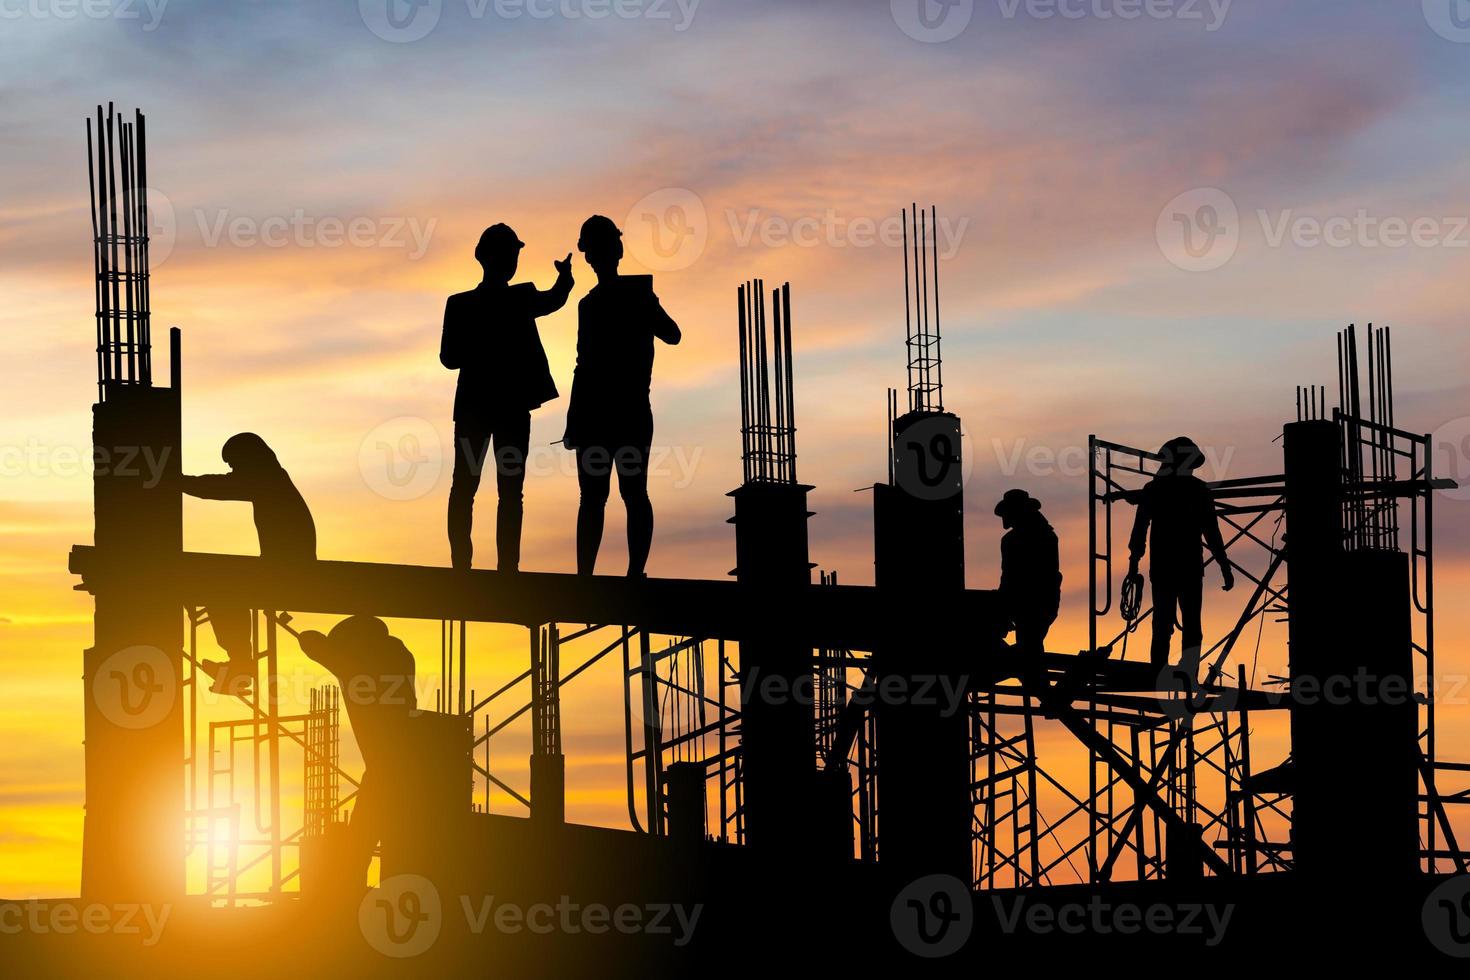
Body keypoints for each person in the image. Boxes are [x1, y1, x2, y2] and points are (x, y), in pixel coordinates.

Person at [441, 223, 574, 572]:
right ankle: (482, 569)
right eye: (510, 253)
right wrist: (565, 281)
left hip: (490, 409)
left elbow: (553, 300)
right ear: (491, 258)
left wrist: (565, 281)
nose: (513, 260)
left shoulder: (494, 301)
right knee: (488, 488)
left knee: (486, 488)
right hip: (494, 409)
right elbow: (449, 357)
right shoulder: (490, 302)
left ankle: (494, 569)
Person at [563, 215, 681, 578]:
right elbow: (673, 334)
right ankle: (632, 574)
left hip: (601, 415)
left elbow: (584, 366)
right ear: (617, 251)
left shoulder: (595, 304)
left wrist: (573, 419)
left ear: (589, 257)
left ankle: (589, 577)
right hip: (627, 413)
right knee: (632, 493)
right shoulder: (628, 298)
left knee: (597, 498)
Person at [182, 432, 315, 695]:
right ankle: (239, 663)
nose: (233, 470)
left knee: (223, 586)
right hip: (286, 566)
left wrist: (177, 482)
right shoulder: (271, 477)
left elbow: (220, 487)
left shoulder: (268, 479)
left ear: (248, 458)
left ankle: (240, 664)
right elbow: (227, 484)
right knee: (224, 583)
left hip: (290, 570)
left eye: (234, 463)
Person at [294, 616, 417, 885]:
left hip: (383, 768)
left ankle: (349, 896)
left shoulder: (354, 664)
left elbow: (314, 646)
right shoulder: (400, 654)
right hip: (412, 760)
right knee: (402, 844)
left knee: (360, 842)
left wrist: (303, 636)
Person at [1126, 436, 1234, 674]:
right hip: (1185, 569)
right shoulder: (1196, 491)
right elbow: (1212, 533)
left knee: (1165, 624)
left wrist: (1134, 563)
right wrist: (1225, 567)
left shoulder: (1157, 490)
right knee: (1186, 625)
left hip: (1171, 568)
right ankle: (1183, 673)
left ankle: (1164, 672)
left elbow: (1140, 530)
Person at [995, 489, 1062, 662]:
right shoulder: (1046, 535)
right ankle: (1036, 683)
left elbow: (1010, 577)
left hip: (1032, 604)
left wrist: (1004, 606)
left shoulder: (1014, 540)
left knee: (1028, 648)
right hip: (1037, 603)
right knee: (1030, 648)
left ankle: (1035, 683)